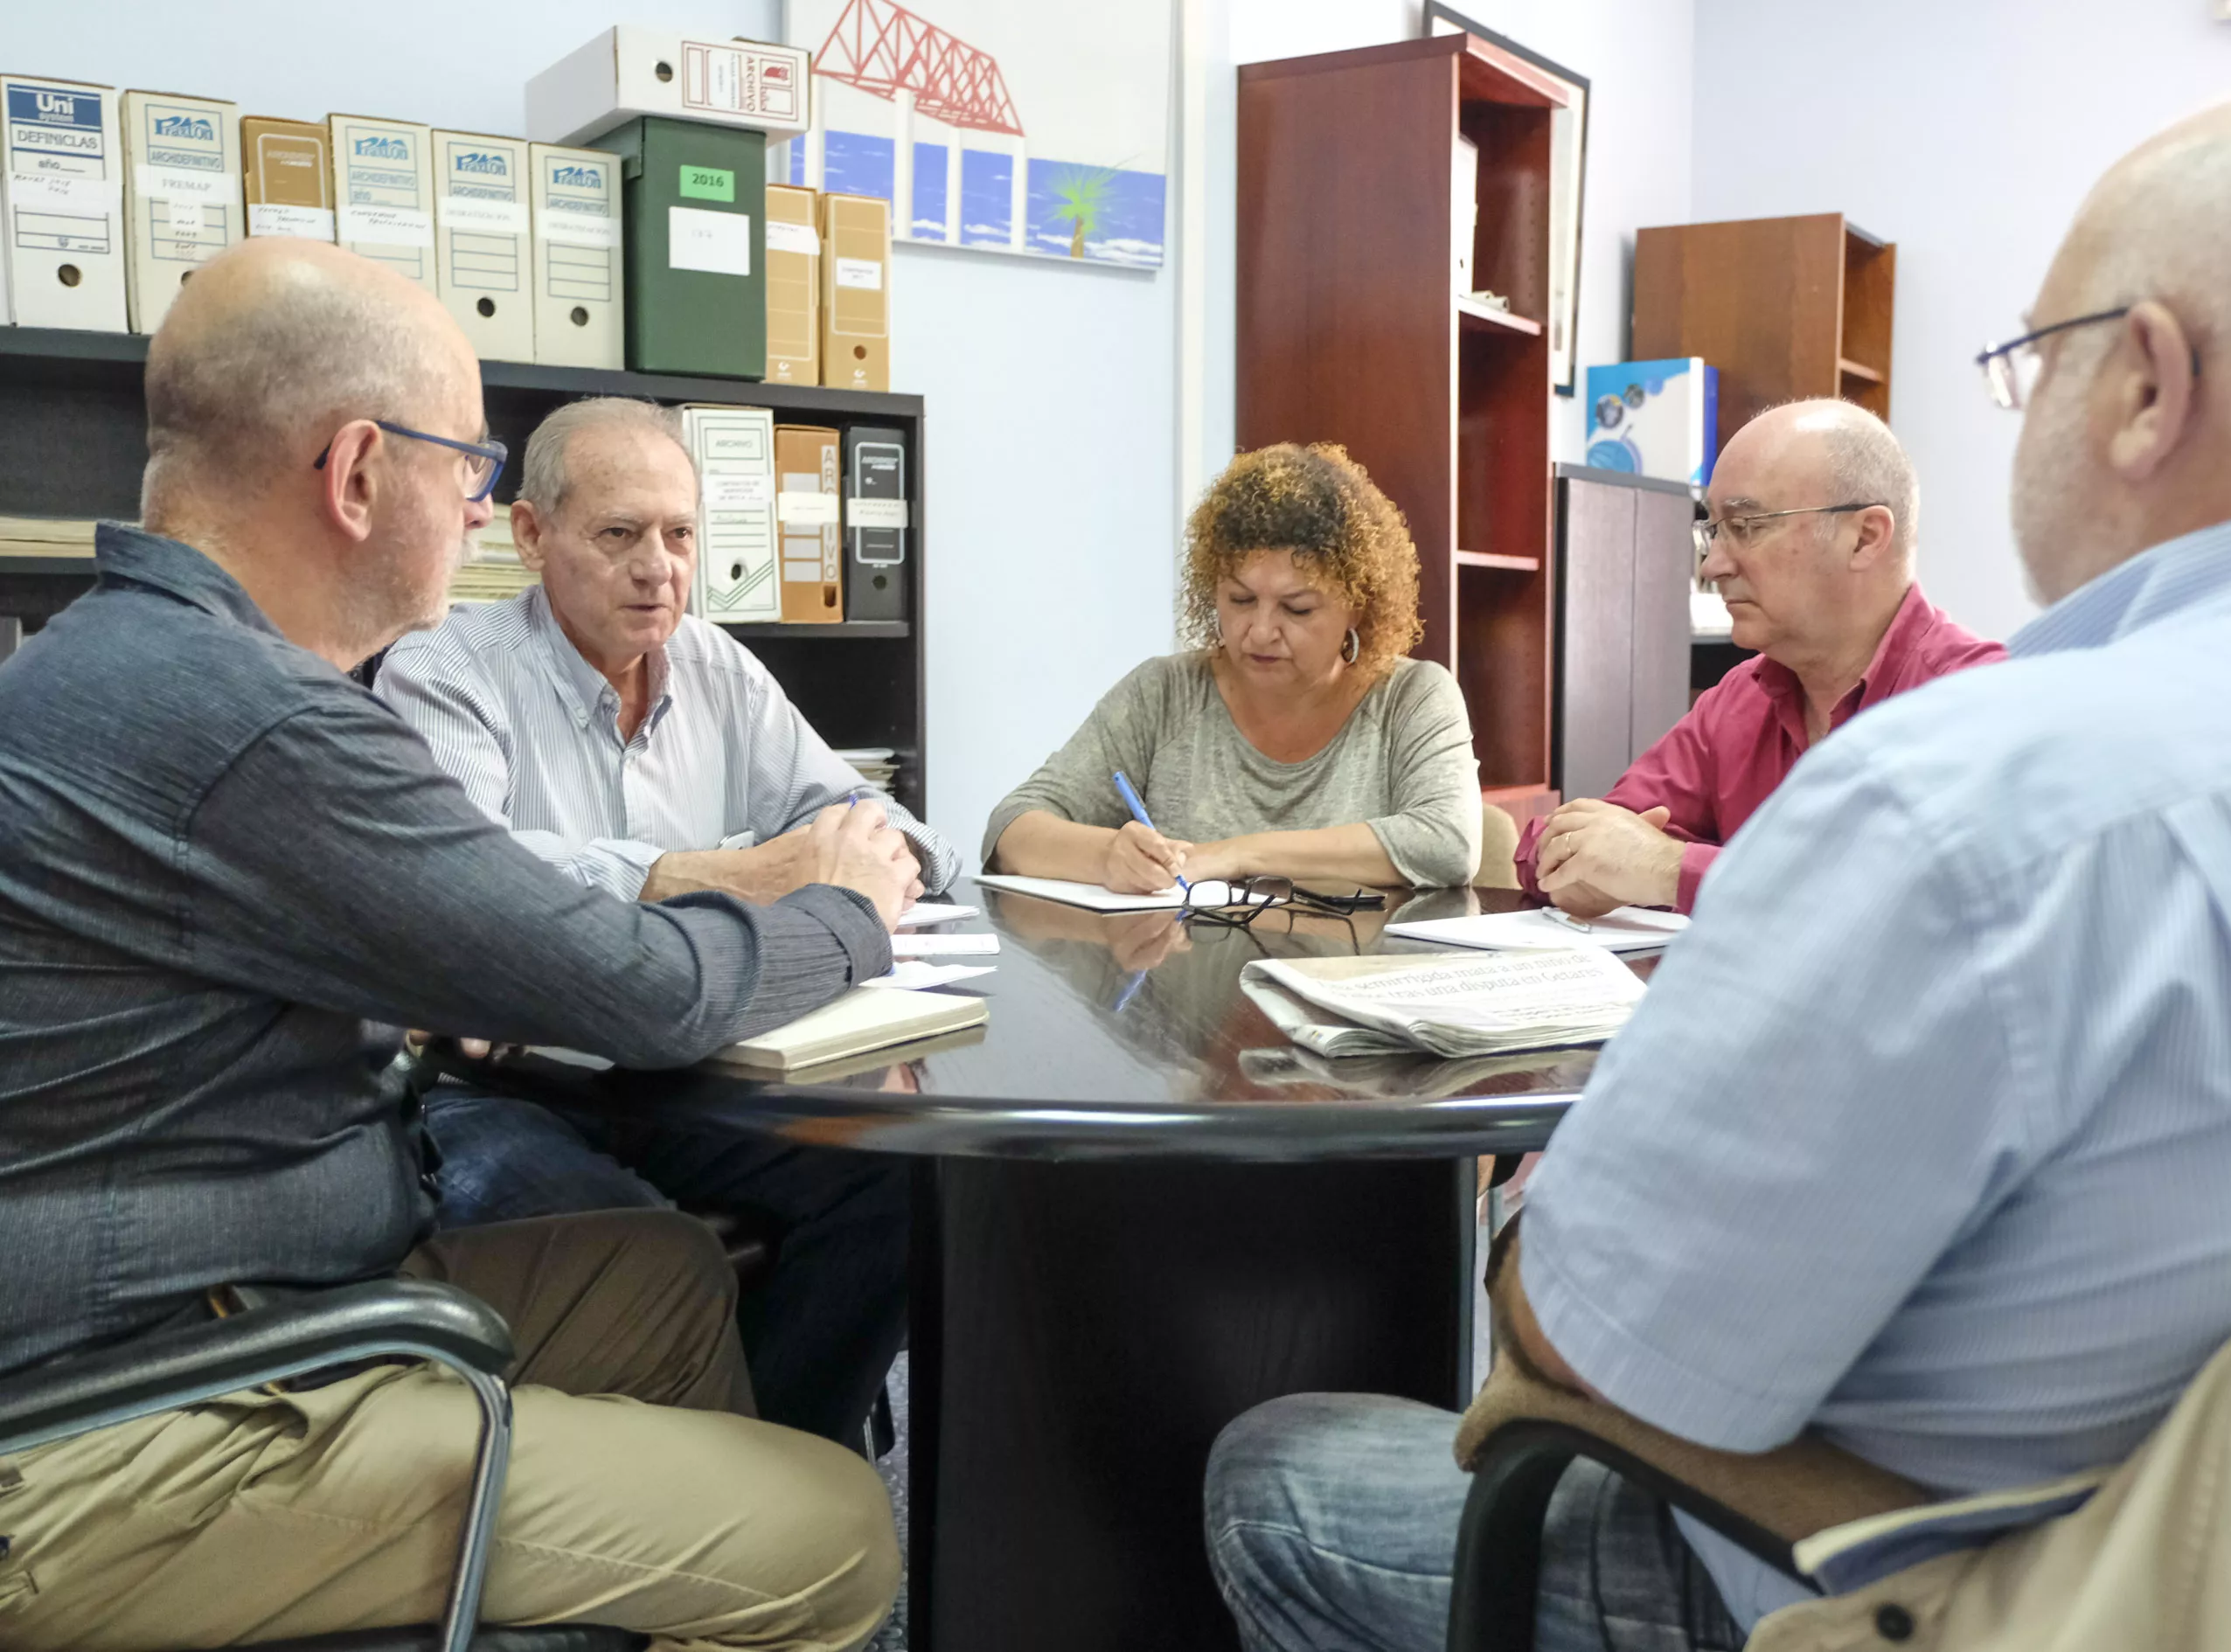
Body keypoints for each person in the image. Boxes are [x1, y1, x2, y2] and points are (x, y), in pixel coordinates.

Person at [1206, 84, 2231, 1652]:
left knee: (1276, 1469)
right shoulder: (1848, 739)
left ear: (2148, 383)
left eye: (2034, 364)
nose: (1718, 558)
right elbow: (1600, 823)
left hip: (1936, 1581)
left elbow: (1589, 1343)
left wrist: (1547, 1197)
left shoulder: (1987, 801)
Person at [0, 237, 908, 1649]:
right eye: (472, 471)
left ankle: (649, 1586)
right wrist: (844, 910)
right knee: (836, 1535)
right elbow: (648, 991)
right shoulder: (260, 723)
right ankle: (729, 1565)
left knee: (661, 1281)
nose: (485, 517)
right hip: (143, 1416)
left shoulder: (109, 660)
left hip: (234, 1293)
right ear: (360, 473)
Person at [375, 396, 957, 1448]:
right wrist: (752, 871)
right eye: (619, 535)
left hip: (693, 1072)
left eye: (680, 535)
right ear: (530, 534)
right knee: (623, 1243)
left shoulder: (715, 664)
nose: (660, 569)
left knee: (908, 1185)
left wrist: (883, 854)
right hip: (504, 1086)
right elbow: (479, 882)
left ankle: (783, 1470)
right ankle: (702, 1508)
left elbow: (881, 826)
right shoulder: (445, 671)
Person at [1520, 399, 2004, 916]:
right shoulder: (1738, 698)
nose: (1712, 565)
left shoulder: (1980, 703)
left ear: (1864, 538)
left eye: (1747, 525)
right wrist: (1577, 861)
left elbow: (1907, 909)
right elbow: (1565, 841)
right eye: (1714, 529)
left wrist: (1668, 869)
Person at [984, 442, 1481, 893]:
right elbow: (1012, 828)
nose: (1260, 631)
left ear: (1358, 605)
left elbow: (1446, 842)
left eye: (1298, 609)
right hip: (1187, 986)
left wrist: (1238, 854)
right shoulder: (1163, 693)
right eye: (1241, 600)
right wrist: (1106, 857)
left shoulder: (1412, 697)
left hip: (1353, 982)